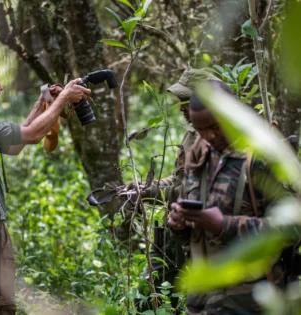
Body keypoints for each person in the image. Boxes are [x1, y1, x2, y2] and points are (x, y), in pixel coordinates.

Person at [0, 57, 90, 315]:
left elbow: (14, 144)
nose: (0, 87)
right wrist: (64, 98)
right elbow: (34, 135)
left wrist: (42, 103)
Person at [168, 80, 289, 314]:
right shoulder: (197, 158)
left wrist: (225, 225)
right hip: (202, 303)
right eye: (200, 129)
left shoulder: (264, 157)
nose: (208, 136)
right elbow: (190, 238)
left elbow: (290, 229)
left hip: (252, 303)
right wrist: (179, 224)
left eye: (215, 126)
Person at [118, 69, 220, 310]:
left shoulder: (219, 140)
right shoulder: (191, 135)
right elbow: (178, 180)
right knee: (148, 297)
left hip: (200, 240)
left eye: (188, 101)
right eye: (181, 102)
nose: (182, 108)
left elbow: (195, 194)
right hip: (173, 233)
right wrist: (147, 187)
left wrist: (151, 193)